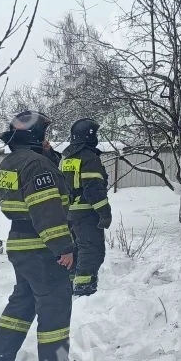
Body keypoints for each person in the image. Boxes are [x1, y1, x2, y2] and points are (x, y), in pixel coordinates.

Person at [0, 111, 77, 361]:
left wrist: (46, 155)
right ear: (36, 135)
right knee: (55, 303)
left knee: (23, 302)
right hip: (42, 247)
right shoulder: (36, 165)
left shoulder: (13, 161)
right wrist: (63, 247)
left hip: (21, 243)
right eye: (44, 133)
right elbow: (46, 210)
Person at [59, 118, 112, 296]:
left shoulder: (67, 159)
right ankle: (84, 289)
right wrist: (105, 213)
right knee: (91, 250)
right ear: (89, 136)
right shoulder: (89, 158)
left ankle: (71, 284)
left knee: (75, 250)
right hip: (86, 214)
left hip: (69, 214)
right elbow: (94, 190)